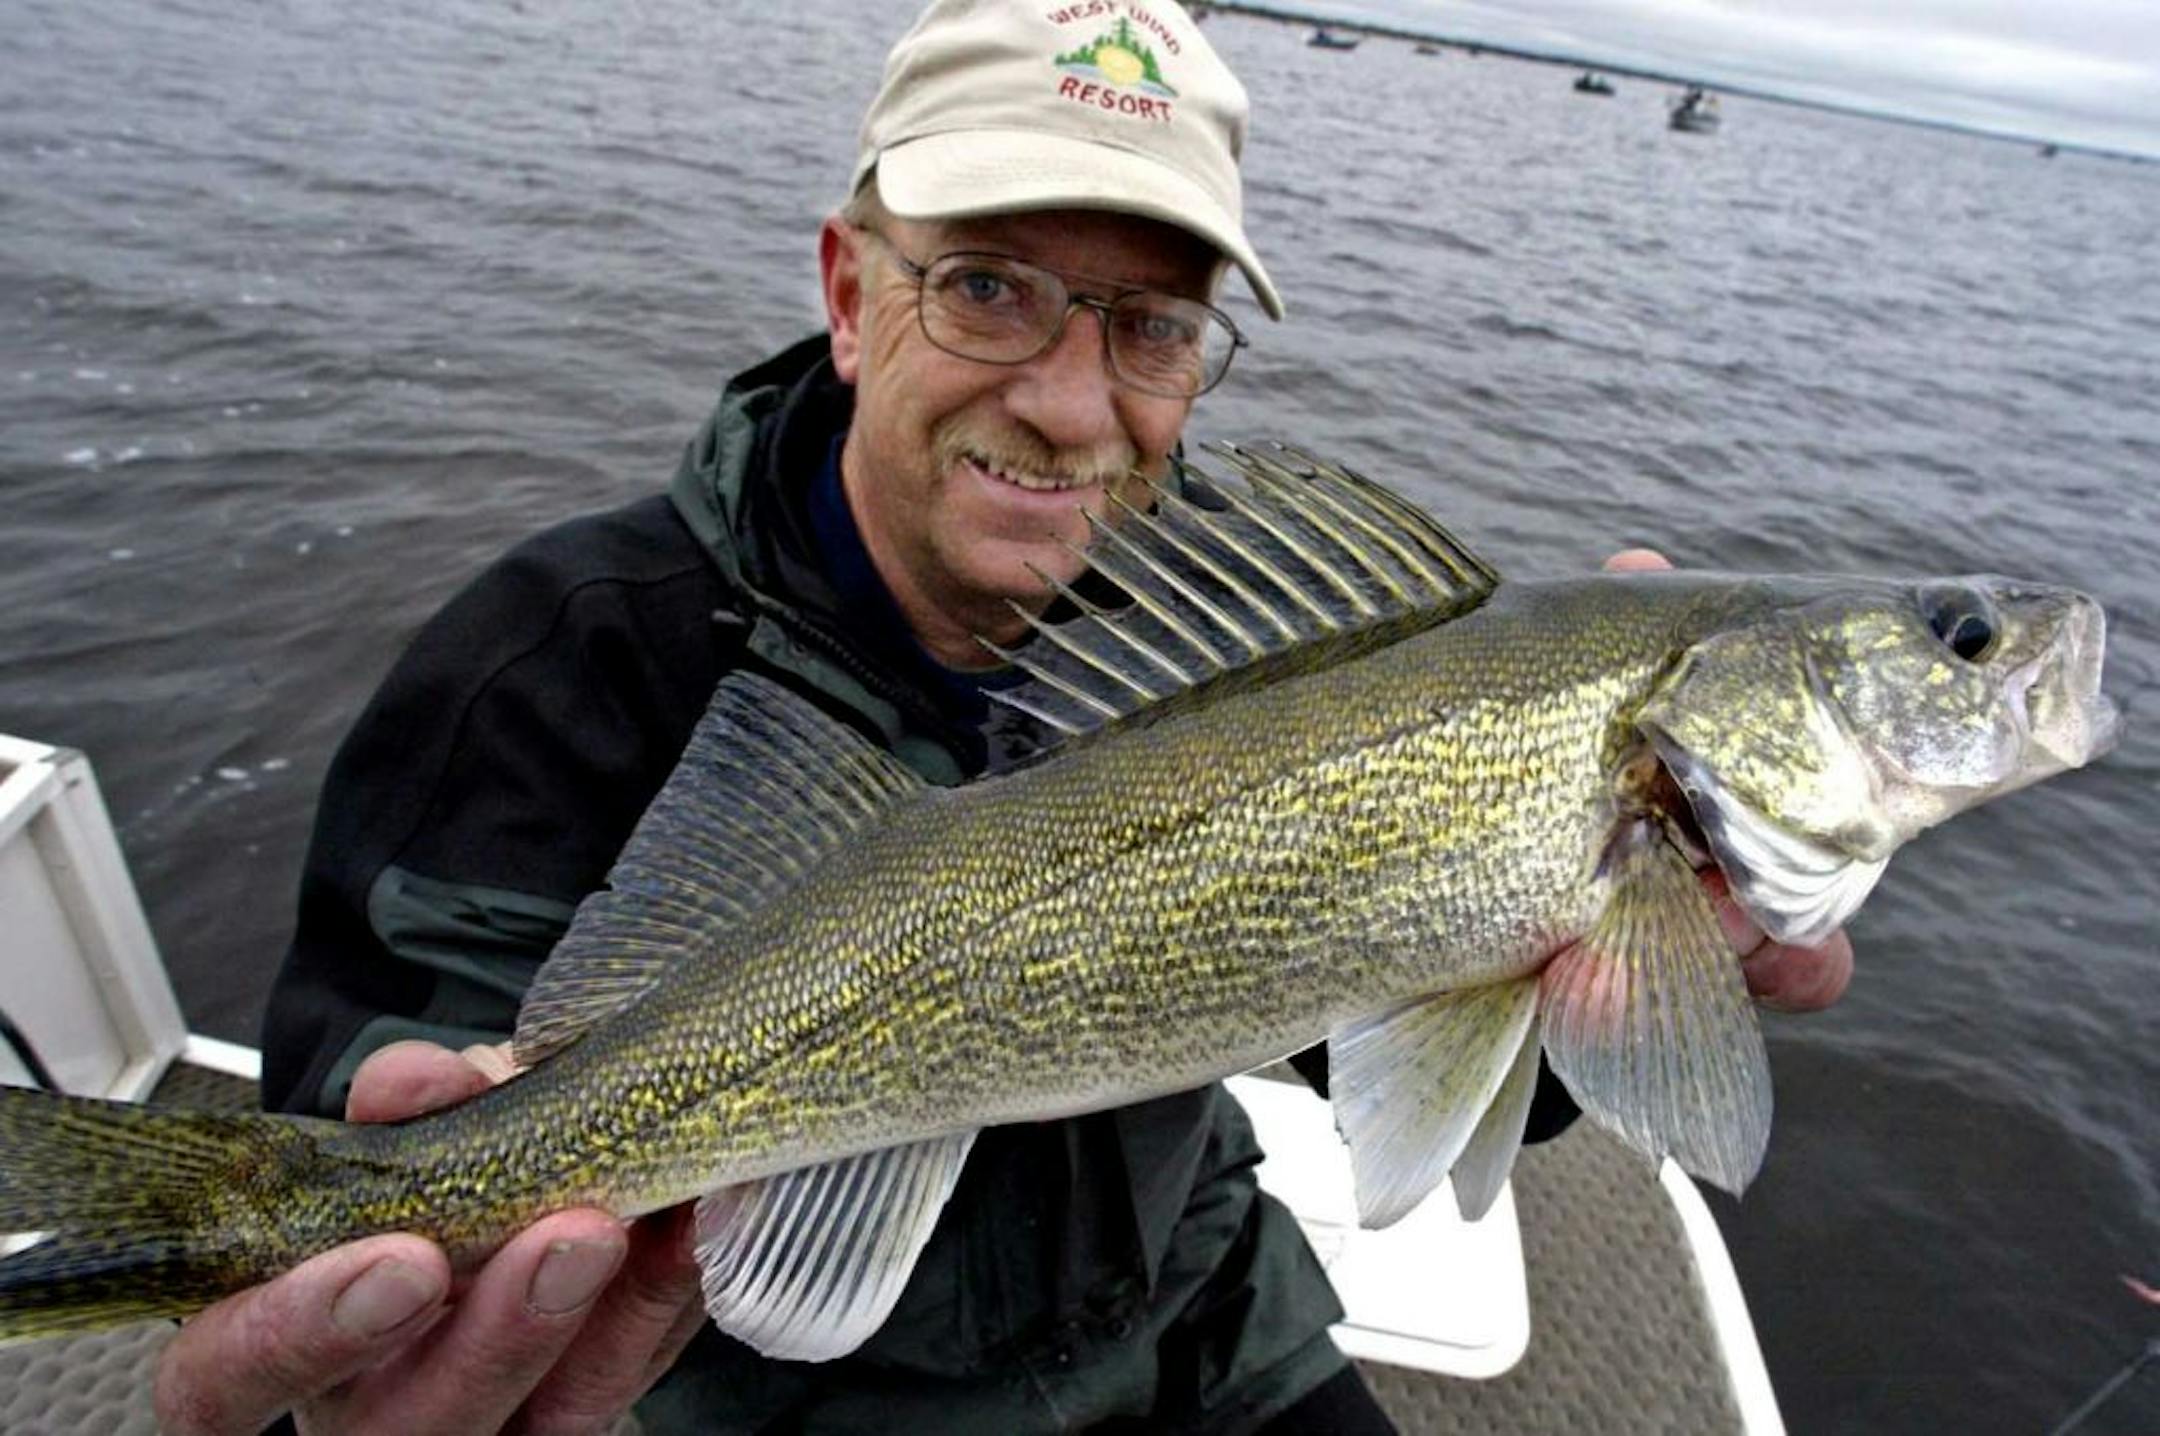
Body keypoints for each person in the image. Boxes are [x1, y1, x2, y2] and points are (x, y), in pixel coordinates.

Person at [150, 2, 1854, 1432]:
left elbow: (1384, 1037)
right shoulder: (557, 659)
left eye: (1151, 326)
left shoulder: (1267, 648)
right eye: (986, 287)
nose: (1065, 401)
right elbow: (390, 1046)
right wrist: (389, 1191)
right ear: (846, 289)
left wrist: (1621, 974)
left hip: (1191, 1328)